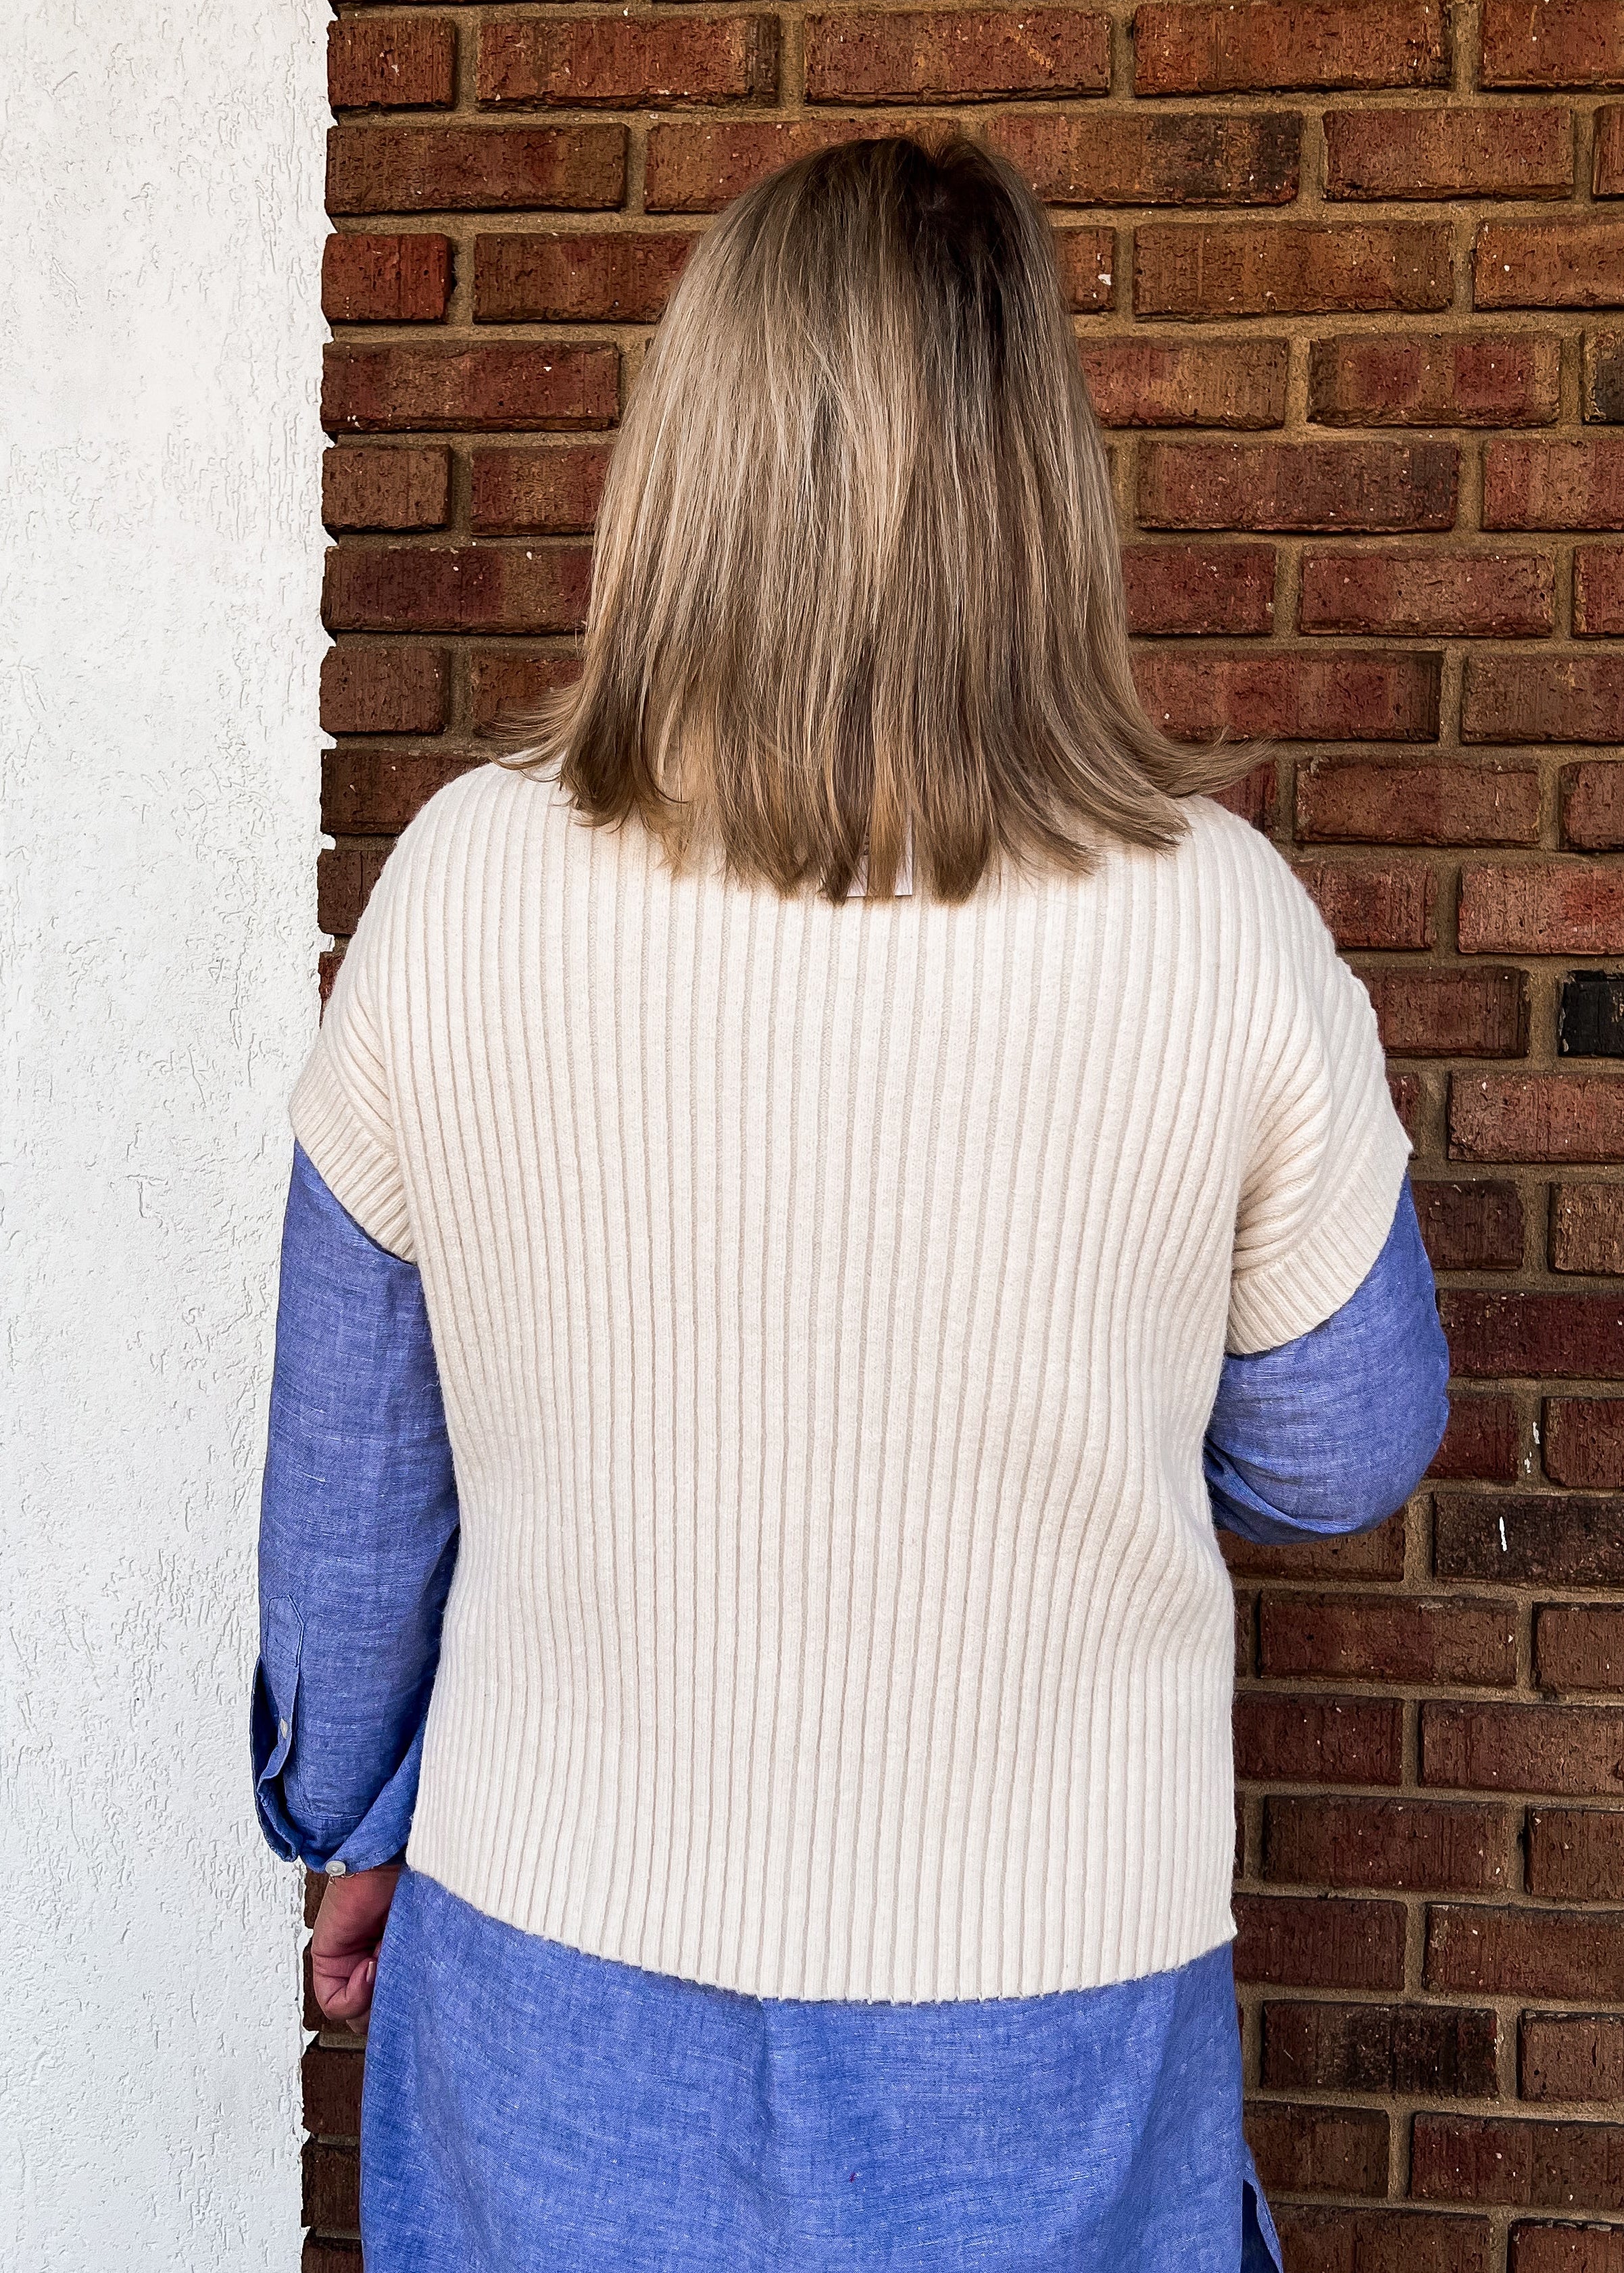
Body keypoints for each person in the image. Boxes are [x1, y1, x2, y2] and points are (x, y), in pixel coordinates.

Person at [253, 134, 1450, 2271]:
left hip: (550, 1967)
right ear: (1037, 483)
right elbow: (1345, 1437)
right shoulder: (1220, 922)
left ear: (689, 448)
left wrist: (349, 1816)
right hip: (1047, 2020)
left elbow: (354, 1486)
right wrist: (1070, 1407)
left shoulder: (460, 884)